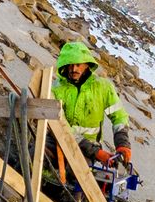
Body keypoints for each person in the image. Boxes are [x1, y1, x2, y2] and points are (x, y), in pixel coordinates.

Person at [52, 40, 134, 175]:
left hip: (88, 148)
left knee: (78, 174)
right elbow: (59, 125)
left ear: (87, 65)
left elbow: (118, 116)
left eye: (78, 65)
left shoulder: (103, 87)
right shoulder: (56, 88)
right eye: (70, 65)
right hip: (57, 140)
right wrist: (97, 153)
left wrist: (122, 143)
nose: (74, 69)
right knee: (35, 157)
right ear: (64, 66)